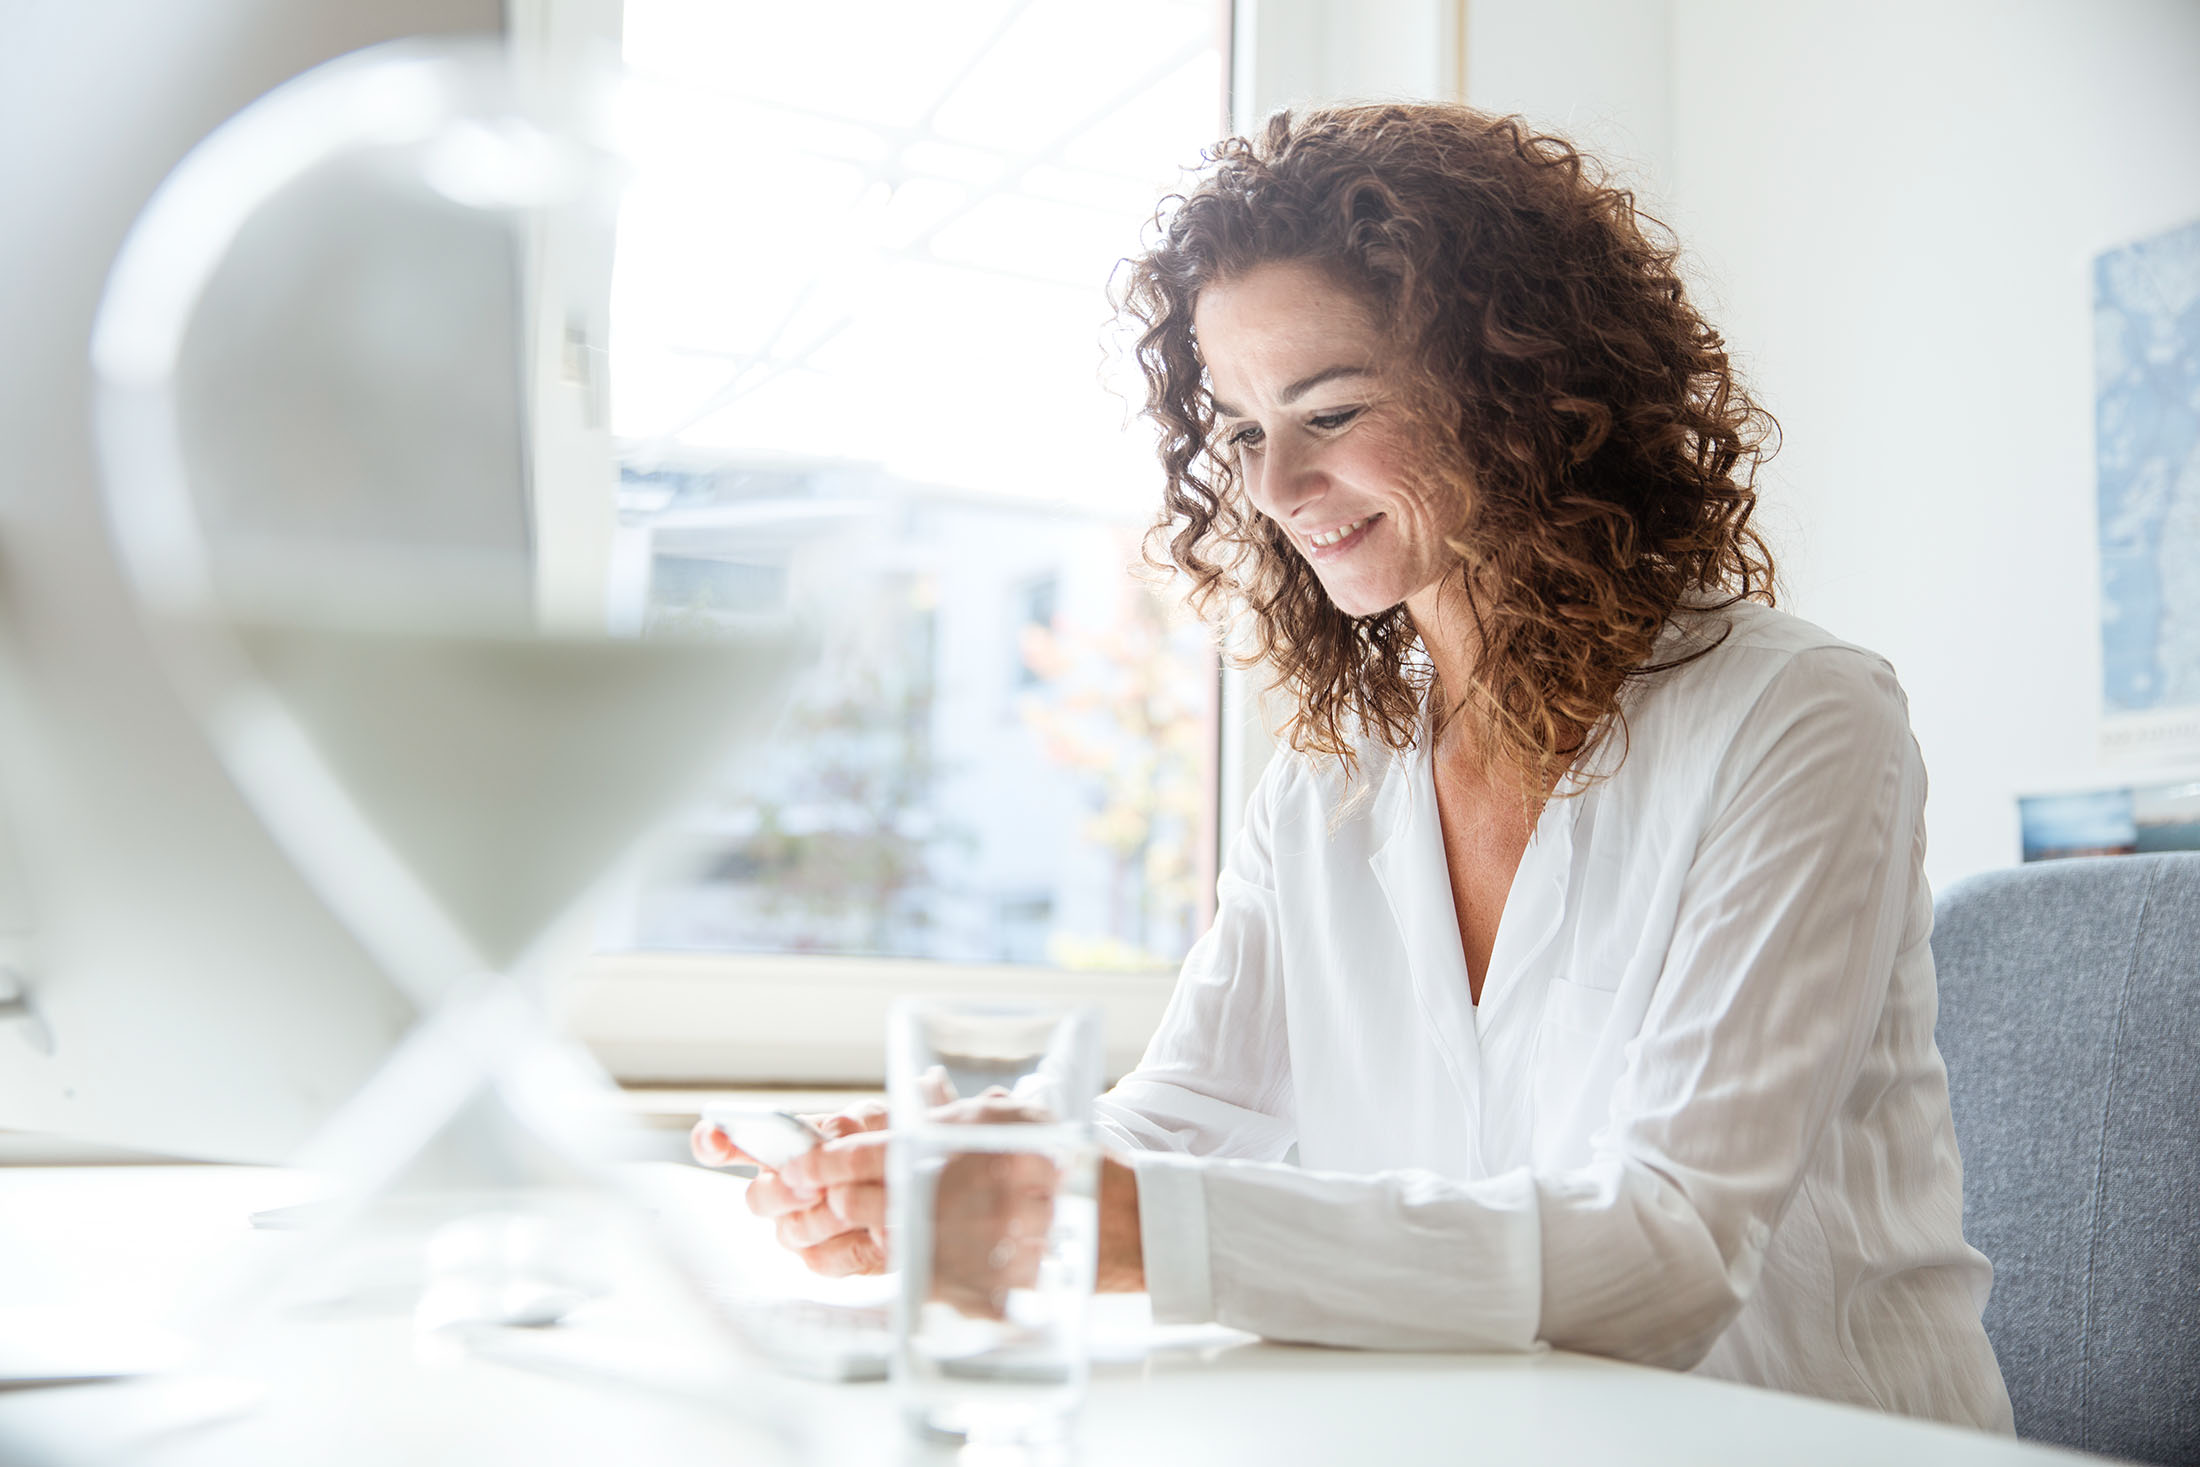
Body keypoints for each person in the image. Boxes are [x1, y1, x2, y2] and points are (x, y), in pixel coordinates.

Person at [693, 102, 2014, 1433]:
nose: (1279, 482)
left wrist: (1117, 1222)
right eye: (1242, 428)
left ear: (1527, 391)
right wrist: (966, 1172)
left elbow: (1664, 1253)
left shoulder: (1799, 721)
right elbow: (1191, 1117)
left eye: (1330, 409)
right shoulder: (1335, 777)